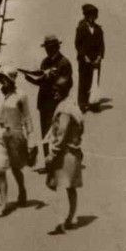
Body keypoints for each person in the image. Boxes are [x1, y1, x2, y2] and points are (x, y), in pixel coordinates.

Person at [0, 69, 35, 217]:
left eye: (5, 78)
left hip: (15, 134)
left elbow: (27, 118)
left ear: (12, 80)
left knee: (16, 168)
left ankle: (22, 189)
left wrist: (31, 140)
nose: (2, 81)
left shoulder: (21, 96)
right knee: (0, 168)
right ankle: (3, 203)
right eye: (1, 78)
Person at [21, 35, 73, 150]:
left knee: (55, 134)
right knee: (45, 133)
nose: (47, 50)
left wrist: (57, 89)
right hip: (44, 103)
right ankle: (47, 163)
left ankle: (53, 163)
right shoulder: (45, 61)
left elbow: (67, 83)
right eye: (46, 48)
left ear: (56, 47)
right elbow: (42, 81)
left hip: (56, 104)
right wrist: (30, 77)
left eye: (49, 47)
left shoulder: (64, 63)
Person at [45, 90, 85, 235]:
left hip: (65, 153)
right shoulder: (73, 106)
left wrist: (52, 154)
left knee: (57, 186)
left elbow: (61, 134)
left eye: (56, 91)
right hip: (74, 152)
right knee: (70, 187)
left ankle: (60, 221)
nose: (54, 93)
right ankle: (71, 217)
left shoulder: (64, 110)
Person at [75, 5, 105, 113]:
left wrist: (99, 57)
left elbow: (101, 44)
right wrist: (84, 56)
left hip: (95, 59)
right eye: (90, 15)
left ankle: (94, 103)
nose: (92, 18)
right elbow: (78, 44)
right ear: (86, 16)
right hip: (84, 59)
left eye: (94, 16)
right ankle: (82, 104)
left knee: (94, 81)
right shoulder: (81, 28)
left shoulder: (98, 29)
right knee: (84, 81)